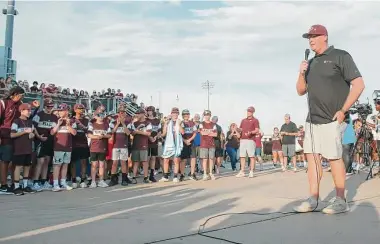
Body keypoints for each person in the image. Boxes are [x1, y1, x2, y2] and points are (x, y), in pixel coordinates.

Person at [294, 24, 365, 214]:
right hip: (312, 119)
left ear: (324, 37)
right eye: (309, 36)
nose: (311, 39)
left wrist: (343, 110)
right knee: (312, 159)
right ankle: (313, 198)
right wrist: (301, 72)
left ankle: (341, 200)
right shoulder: (310, 63)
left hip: (333, 119)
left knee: (334, 158)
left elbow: (358, 84)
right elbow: (300, 90)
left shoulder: (340, 56)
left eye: (314, 36)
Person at [0, 86, 25, 194]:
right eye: (20, 95)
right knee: (5, 160)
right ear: (14, 94)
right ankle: (3, 185)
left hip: (17, 135)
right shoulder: (3, 103)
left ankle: (11, 183)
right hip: (5, 134)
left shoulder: (20, 105)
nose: (21, 97)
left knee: (13, 160)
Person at [50, 103, 77, 192]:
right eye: (59, 110)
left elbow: (74, 133)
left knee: (65, 165)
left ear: (66, 111)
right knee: (57, 165)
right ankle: (55, 184)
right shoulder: (55, 120)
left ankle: (63, 183)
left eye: (62, 110)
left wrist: (68, 125)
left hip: (68, 147)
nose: (60, 112)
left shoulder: (72, 121)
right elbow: (52, 132)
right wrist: (58, 124)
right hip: (58, 147)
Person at [87, 111, 111, 188]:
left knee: (102, 164)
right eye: (98, 115)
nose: (100, 116)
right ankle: (93, 181)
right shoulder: (92, 124)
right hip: (94, 147)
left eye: (102, 115)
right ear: (95, 116)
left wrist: (103, 136)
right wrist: (97, 137)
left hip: (102, 147)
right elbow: (89, 135)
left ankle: (101, 180)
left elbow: (109, 135)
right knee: (94, 165)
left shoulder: (106, 124)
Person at [160, 107, 184, 183]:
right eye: (174, 113)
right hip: (168, 143)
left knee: (176, 160)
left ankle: (175, 176)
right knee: (166, 159)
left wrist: (178, 124)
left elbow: (183, 132)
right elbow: (164, 133)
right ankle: (165, 176)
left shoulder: (180, 122)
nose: (175, 114)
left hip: (177, 143)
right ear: (171, 113)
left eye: (176, 113)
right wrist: (166, 123)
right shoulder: (168, 122)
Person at [129, 108, 152, 183]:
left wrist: (138, 131)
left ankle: (146, 177)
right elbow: (132, 133)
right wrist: (139, 129)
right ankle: (134, 177)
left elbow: (148, 133)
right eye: (136, 114)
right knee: (135, 162)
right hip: (136, 144)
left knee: (144, 162)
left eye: (138, 113)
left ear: (142, 114)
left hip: (144, 144)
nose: (137, 115)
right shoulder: (134, 123)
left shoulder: (148, 123)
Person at [237, 106, 259, 178]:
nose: (248, 112)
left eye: (250, 111)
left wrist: (251, 132)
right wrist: (237, 129)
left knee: (251, 156)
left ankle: (251, 171)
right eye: (247, 111)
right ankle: (242, 171)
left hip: (250, 140)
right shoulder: (243, 120)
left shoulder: (255, 120)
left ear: (252, 112)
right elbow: (240, 129)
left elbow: (257, 130)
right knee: (242, 156)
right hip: (242, 140)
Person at [198, 110, 217, 180]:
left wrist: (207, 132)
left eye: (208, 115)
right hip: (204, 144)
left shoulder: (213, 124)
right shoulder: (201, 123)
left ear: (210, 115)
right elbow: (202, 133)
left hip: (211, 144)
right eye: (205, 115)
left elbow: (215, 134)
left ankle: (211, 173)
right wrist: (210, 132)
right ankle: (205, 173)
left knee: (211, 159)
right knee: (205, 159)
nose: (207, 116)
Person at [180, 109, 198, 180]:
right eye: (184, 114)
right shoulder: (181, 123)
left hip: (191, 142)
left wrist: (189, 140)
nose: (186, 116)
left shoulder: (192, 123)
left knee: (193, 158)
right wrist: (185, 140)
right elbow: (179, 134)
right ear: (182, 116)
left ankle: (192, 173)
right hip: (183, 142)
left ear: (189, 115)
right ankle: (182, 174)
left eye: (187, 114)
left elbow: (195, 133)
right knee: (183, 159)